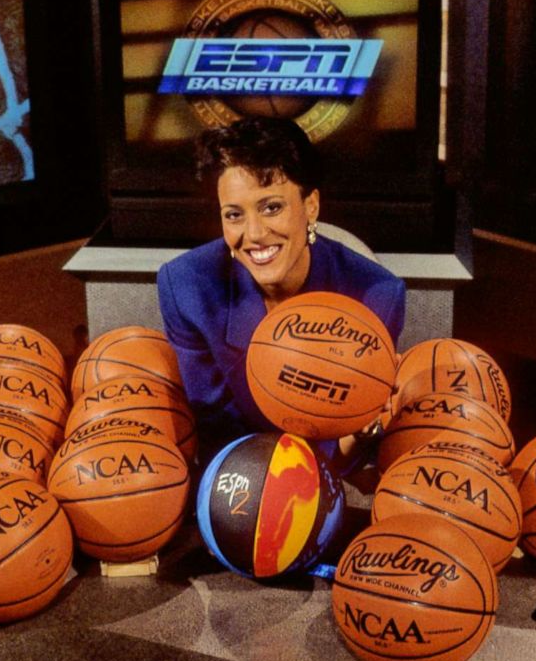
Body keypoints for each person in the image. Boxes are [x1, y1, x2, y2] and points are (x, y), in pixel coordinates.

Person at [157, 115, 406, 475]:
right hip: (233, 478)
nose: (254, 233)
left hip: (323, 477)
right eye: (234, 215)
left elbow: (347, 450)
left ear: (311, 207)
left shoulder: (377, 296)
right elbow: (214, 431)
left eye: (272, 207)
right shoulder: (187, 288)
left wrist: (362, 430)